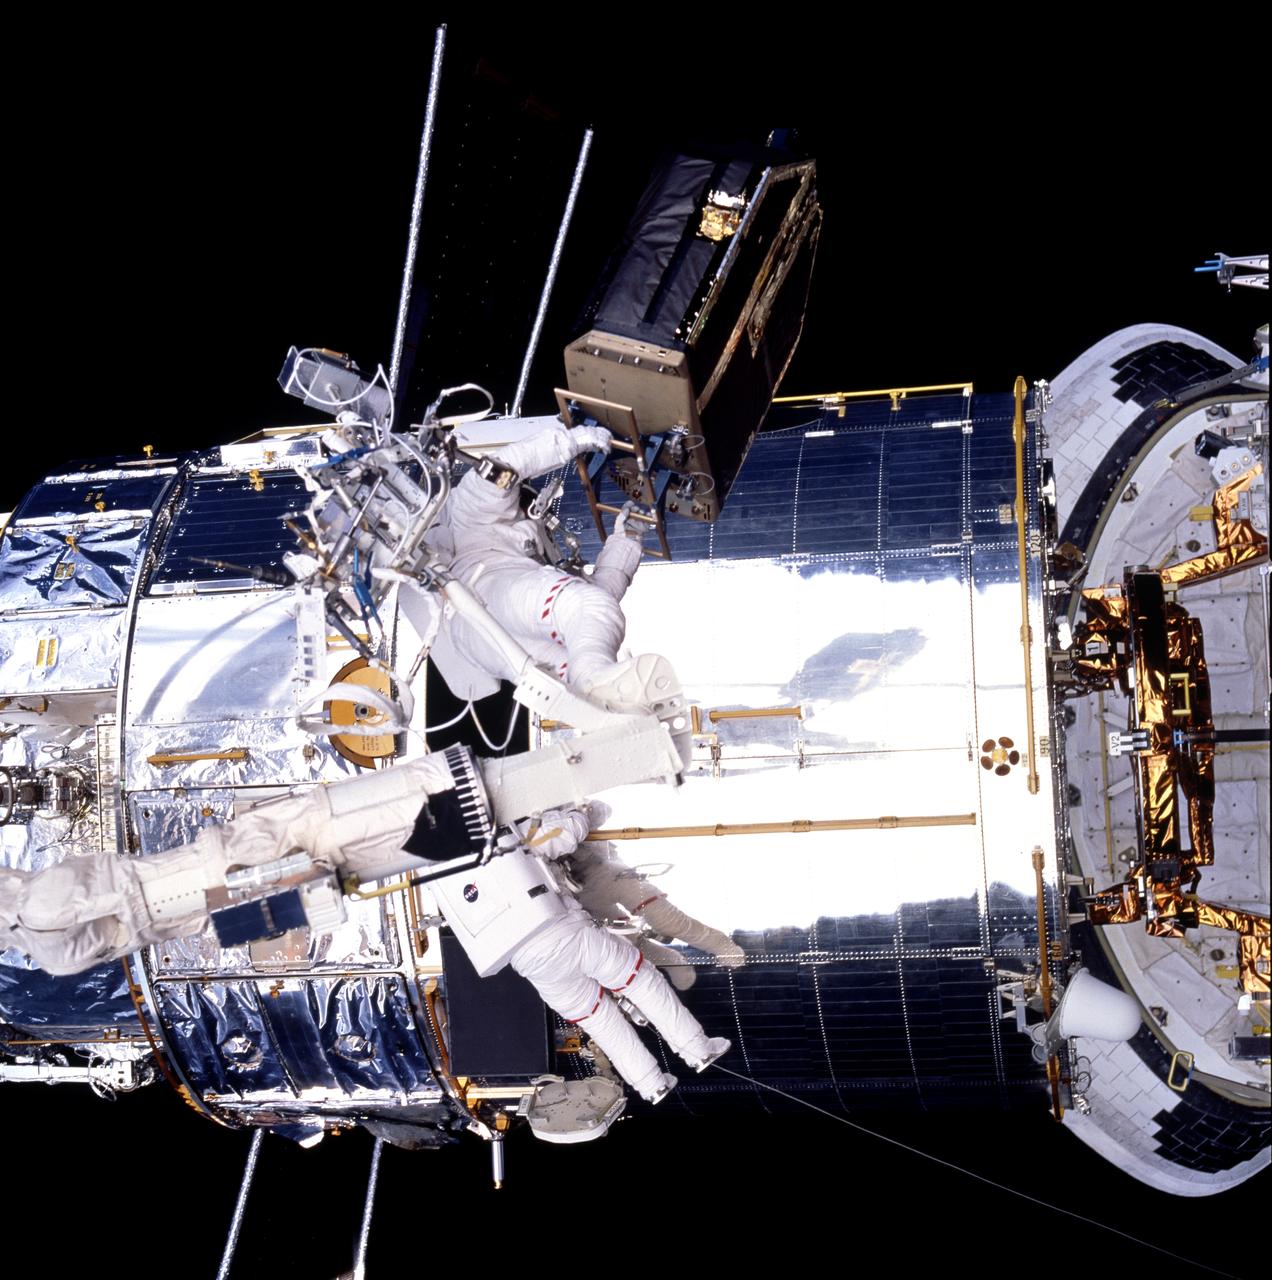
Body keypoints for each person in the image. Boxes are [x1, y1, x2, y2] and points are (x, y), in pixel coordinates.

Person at [427, 808, 730, 1104]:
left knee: (600, 1020)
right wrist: (579, 811)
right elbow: (568, 832)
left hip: (531, 966)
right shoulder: (502, 836)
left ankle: (651, 1085)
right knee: (641, 981)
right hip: (566, 935)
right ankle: (698, 1050)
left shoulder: (438, 873)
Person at [425, 421, 662, 714]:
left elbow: (595, 603)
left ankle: (605, 701)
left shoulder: (525, 549)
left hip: (479, 618)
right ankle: (619, 712)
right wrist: (570, 442)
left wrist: (626, 538)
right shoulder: (471, 512)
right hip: (482, 605)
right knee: (578, 654)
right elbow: (506, 467)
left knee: (586, 629)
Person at [565, 802, 745, 991]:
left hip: (608, 873)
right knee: (626, 941)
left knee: (666, 921)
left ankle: (722, 946)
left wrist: (582, 815)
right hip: (581, 896)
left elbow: (602, 810)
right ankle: (671, 961)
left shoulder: (561, 802)